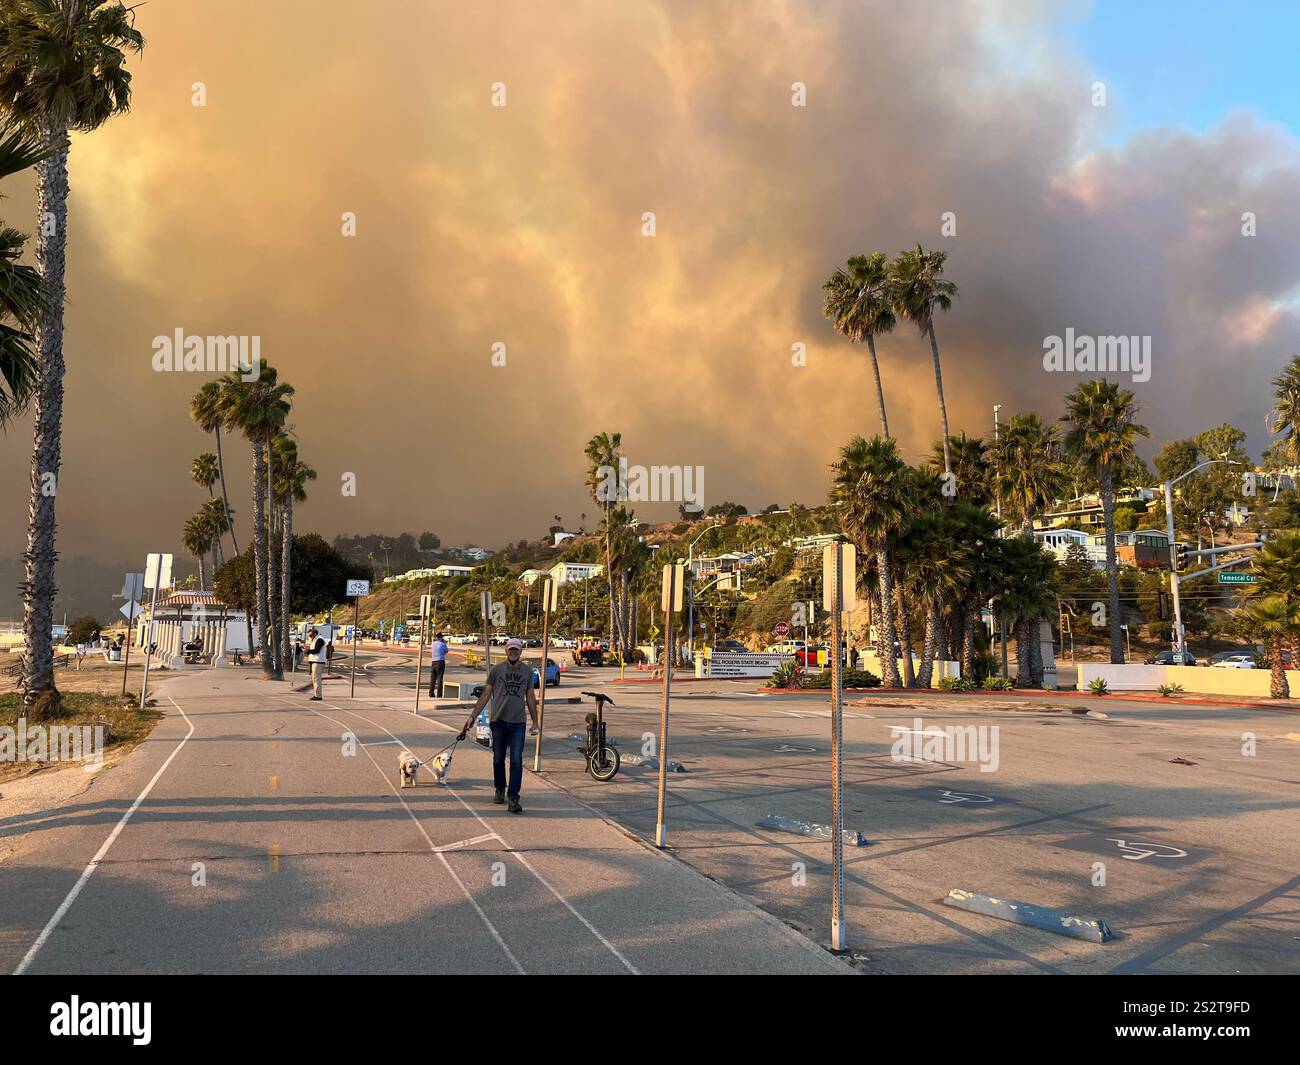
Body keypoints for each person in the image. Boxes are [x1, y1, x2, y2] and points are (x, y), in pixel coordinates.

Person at [458, 637, 538, 813]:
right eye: (511, 649)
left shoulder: (527, 672)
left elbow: (530, 696)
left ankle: (513, 798)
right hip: (498, 721)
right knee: (498, 759)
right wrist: (472, 716)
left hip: (518, 722)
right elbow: (486, 694)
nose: (514, 652)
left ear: (521, 651)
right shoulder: (497, 670)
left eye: (517, 649)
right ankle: (499, 789)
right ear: (506, 651)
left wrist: (535, 722)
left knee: (516, 760)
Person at [305, 626, 327, 700]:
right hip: (315, 661)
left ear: (315, 634)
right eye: (309, 636)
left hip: (318, 661)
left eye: (311, 635)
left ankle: (318, 695)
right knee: (315, 679)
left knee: (316, 679)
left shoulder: (319, 639)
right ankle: (317, 694)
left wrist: (308, 651)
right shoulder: (315, 640)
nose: (310, 637)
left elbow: (316, 650)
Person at [427, 632, 449, 697]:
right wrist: (444, 643)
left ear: (436, 637)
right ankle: (439, 694)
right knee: (439, 678)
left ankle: (431, 693)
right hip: (440, 661)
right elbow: (446, 651)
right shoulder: (443, 644)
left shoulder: (432, 644)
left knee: (433, 678)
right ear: (441, 638)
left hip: (433, 662)